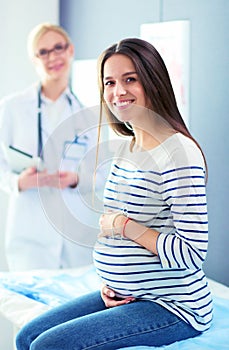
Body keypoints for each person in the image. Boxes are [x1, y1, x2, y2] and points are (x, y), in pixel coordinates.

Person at [15, 38, 213, 349]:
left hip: (172, 306)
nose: (117, 92)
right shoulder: (125, 147)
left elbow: (192, 252)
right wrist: (113, 283)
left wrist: (124, 226)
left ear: (154, 82)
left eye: (129, 79)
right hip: (123, 294)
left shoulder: (179, 153)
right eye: (109, 82)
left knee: (46, 346)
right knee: (25, 336)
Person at [0, 23, 102, 271]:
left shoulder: (89, 115)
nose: (53, 57)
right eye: (43, 52)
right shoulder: (12, 107)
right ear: (34, 59)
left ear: (70, 50)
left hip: (73, 231)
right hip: (30, 231)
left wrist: (77, 178)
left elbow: (100, 176)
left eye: (58, 48)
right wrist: (18, 182)